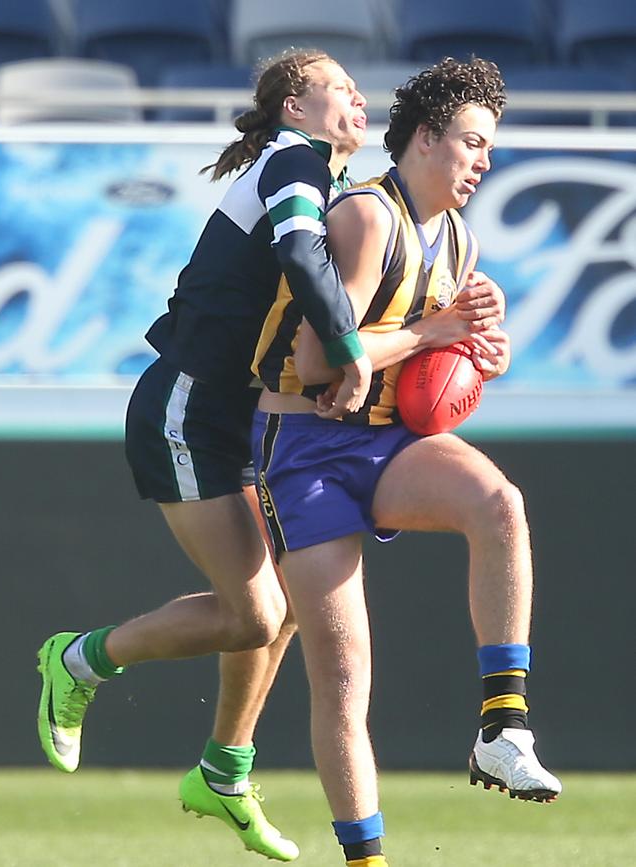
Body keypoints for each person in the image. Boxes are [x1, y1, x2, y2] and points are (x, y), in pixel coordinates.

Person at [36, 49, 373, 863]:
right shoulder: (295, 159)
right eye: (340, 88)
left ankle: (224, 769)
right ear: (295, 106)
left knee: (283, 602)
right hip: (187, 409)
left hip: (234, 418)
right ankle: (78, 660)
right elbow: (298, 252)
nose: (359, 99)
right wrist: (351, 348)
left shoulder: (320, 176)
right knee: (256, 612)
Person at [251, 57, 562, 867]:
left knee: (498, 503)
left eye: (488, 146)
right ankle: (367, 861)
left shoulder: (460, 235)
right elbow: (323, 365)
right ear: (424, 139)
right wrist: (441, 331)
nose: (483, 161)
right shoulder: (368, 219)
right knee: (345, 678)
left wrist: (479, 353)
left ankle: (504, 723)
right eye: (471, 142)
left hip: (387, 440)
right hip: (307, 450)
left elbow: (429, 382)